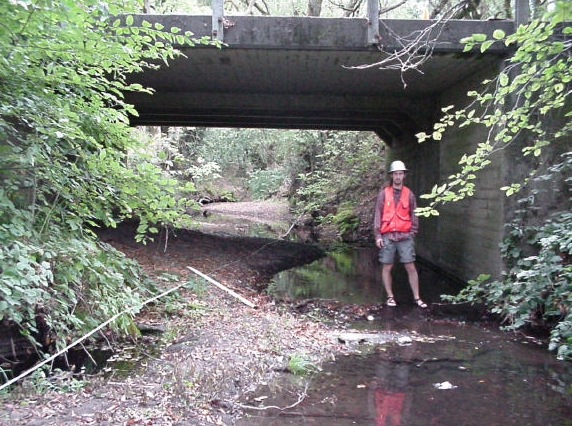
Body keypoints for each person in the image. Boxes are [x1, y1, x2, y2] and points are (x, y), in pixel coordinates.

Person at [373, 160, 427, 308]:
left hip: (405, 236)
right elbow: (378, 214)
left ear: (404, 175)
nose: (398, 176)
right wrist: (378, 236)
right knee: (387, 266)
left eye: (400, 174)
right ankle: (390, 296)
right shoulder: (384, 194)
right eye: (395, 174)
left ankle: (417, 298)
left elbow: (414, 214)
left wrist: (413, 232)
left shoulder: (409, 194)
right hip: (387, 235)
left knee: (410, 266)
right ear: (391, 176)